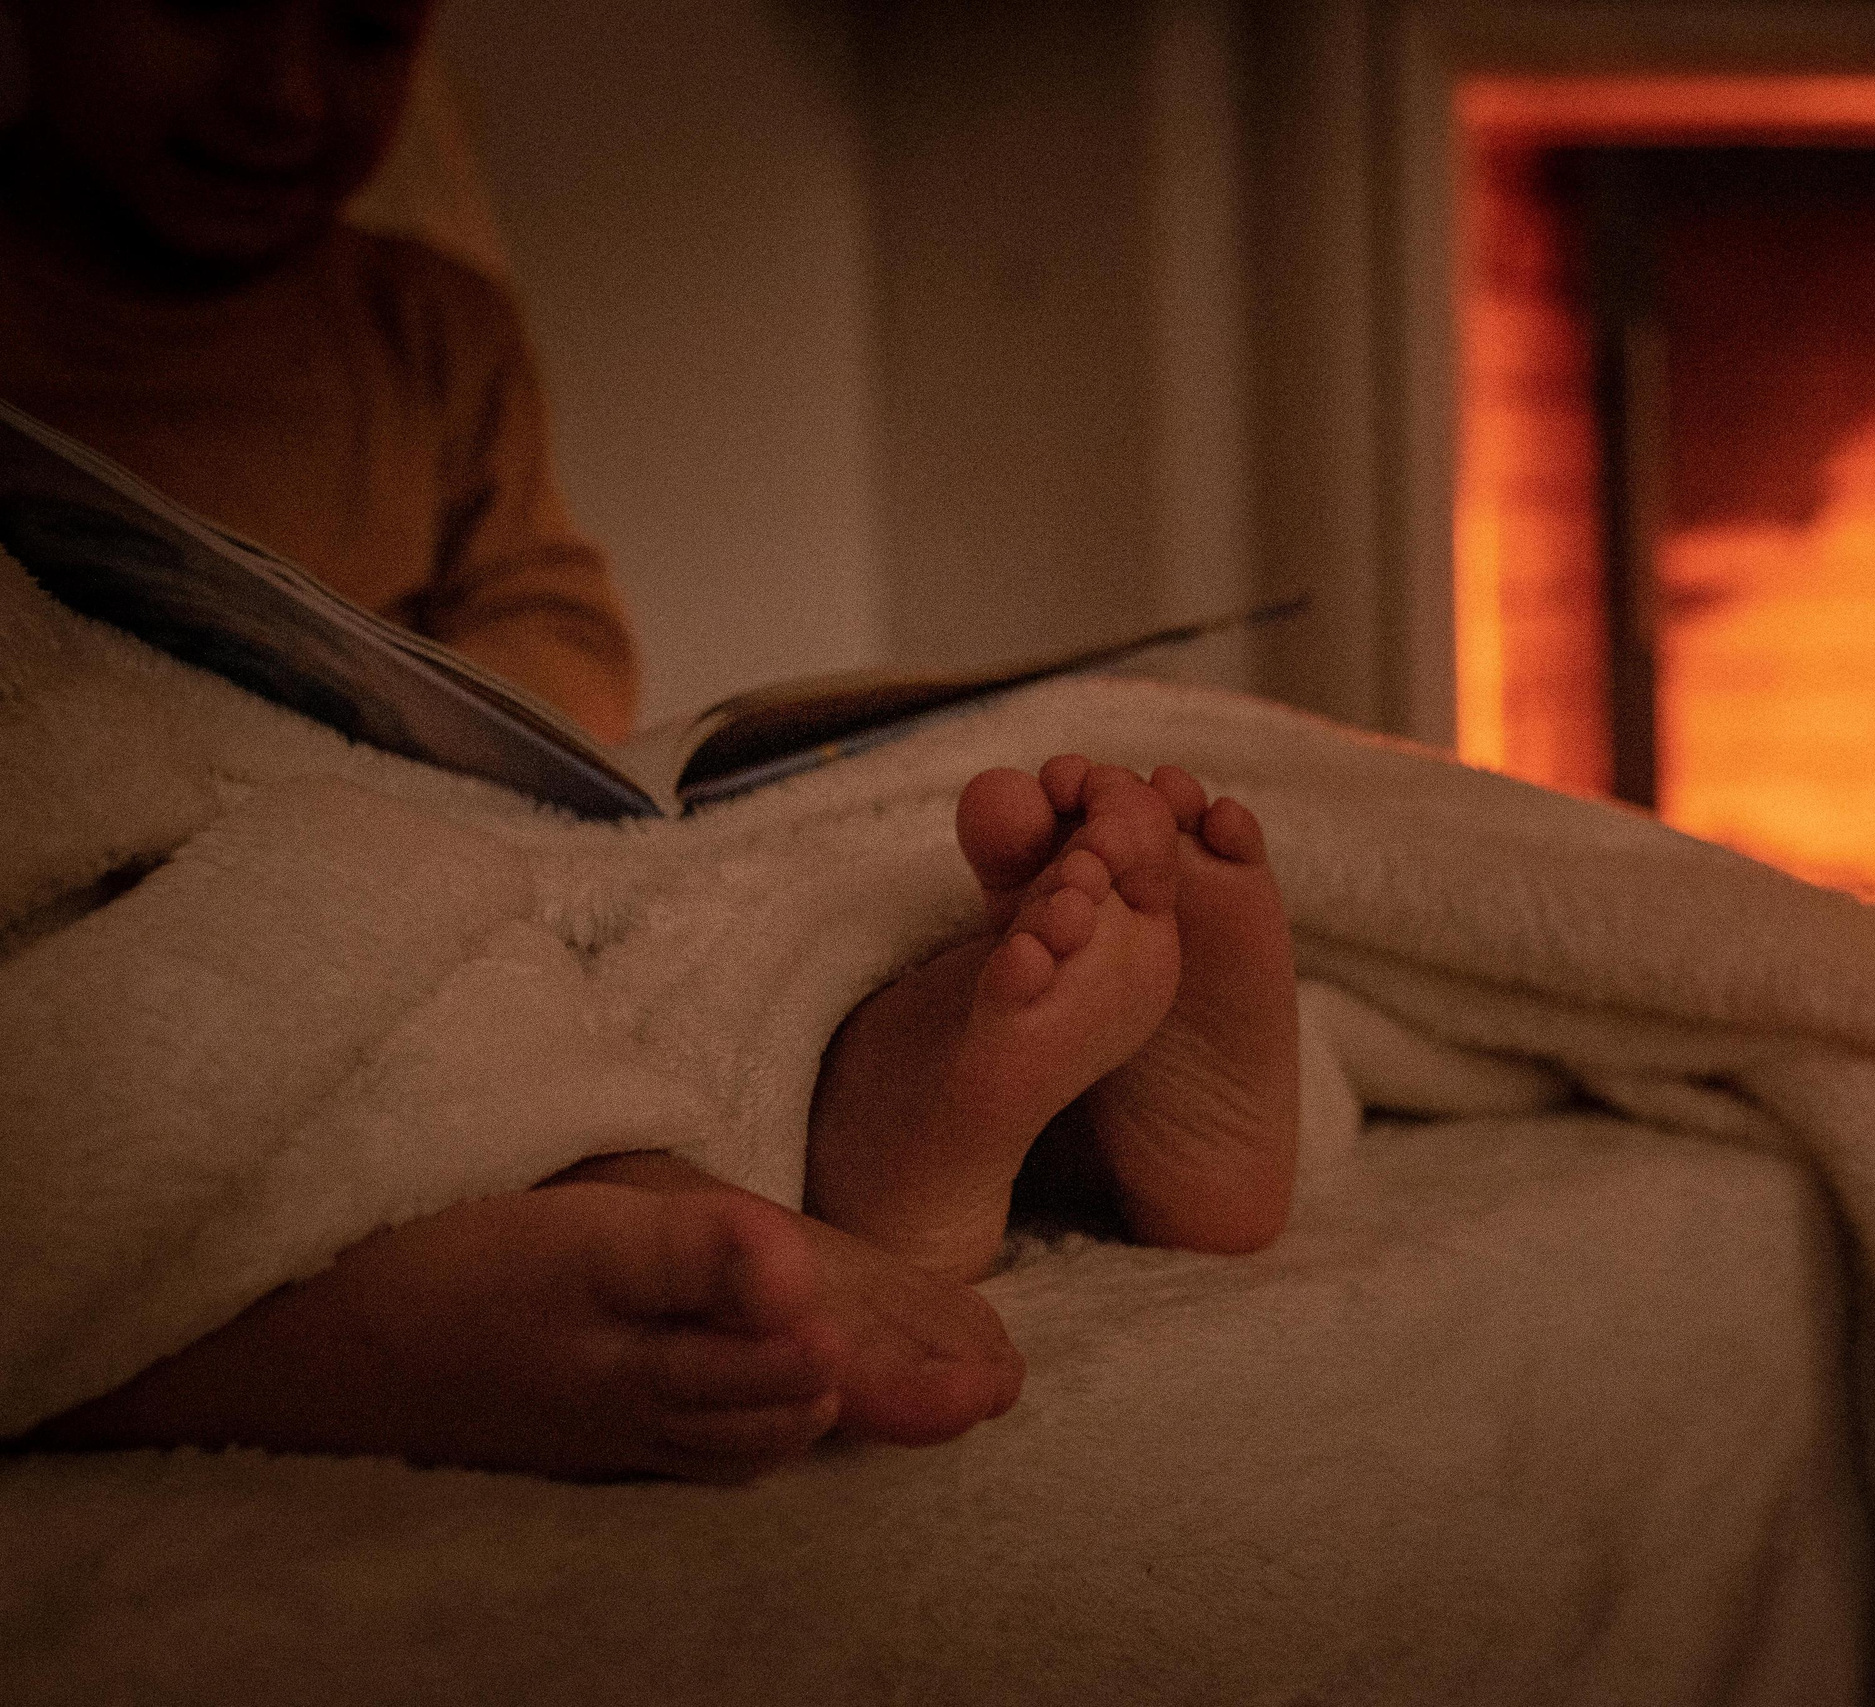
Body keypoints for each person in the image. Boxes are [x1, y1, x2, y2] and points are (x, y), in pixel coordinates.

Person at [4, 0, 1299, 1482]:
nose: (286, 94)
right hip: (137, 824)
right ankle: (510, 1247)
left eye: (367, 31)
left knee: (722, 910)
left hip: (421, 810)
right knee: (302, 929)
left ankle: (917, 1085)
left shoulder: (430, 324)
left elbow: (552, 610)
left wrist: (460, 708)